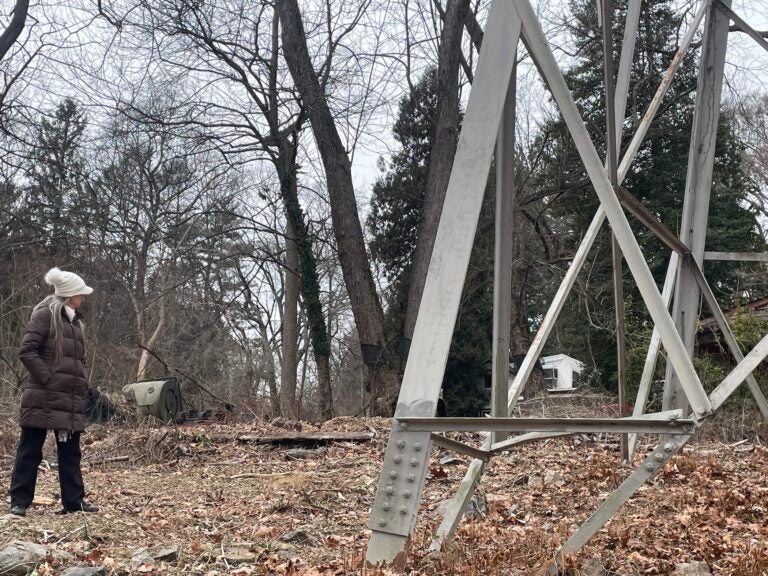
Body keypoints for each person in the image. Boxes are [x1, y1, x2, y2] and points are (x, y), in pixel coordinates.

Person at [9, 267, 99, 516]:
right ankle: (19, 502)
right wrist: (48, 379)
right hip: (42, 395)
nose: (83, 298)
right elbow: (27, 351)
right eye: (80, 294)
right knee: (30, 449)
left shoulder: (76, 322)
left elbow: (80, 359)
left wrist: (81, 381)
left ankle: (74, 502)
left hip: (69, 397)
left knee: (70, 452)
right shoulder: (44, 315)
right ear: (70, 295)